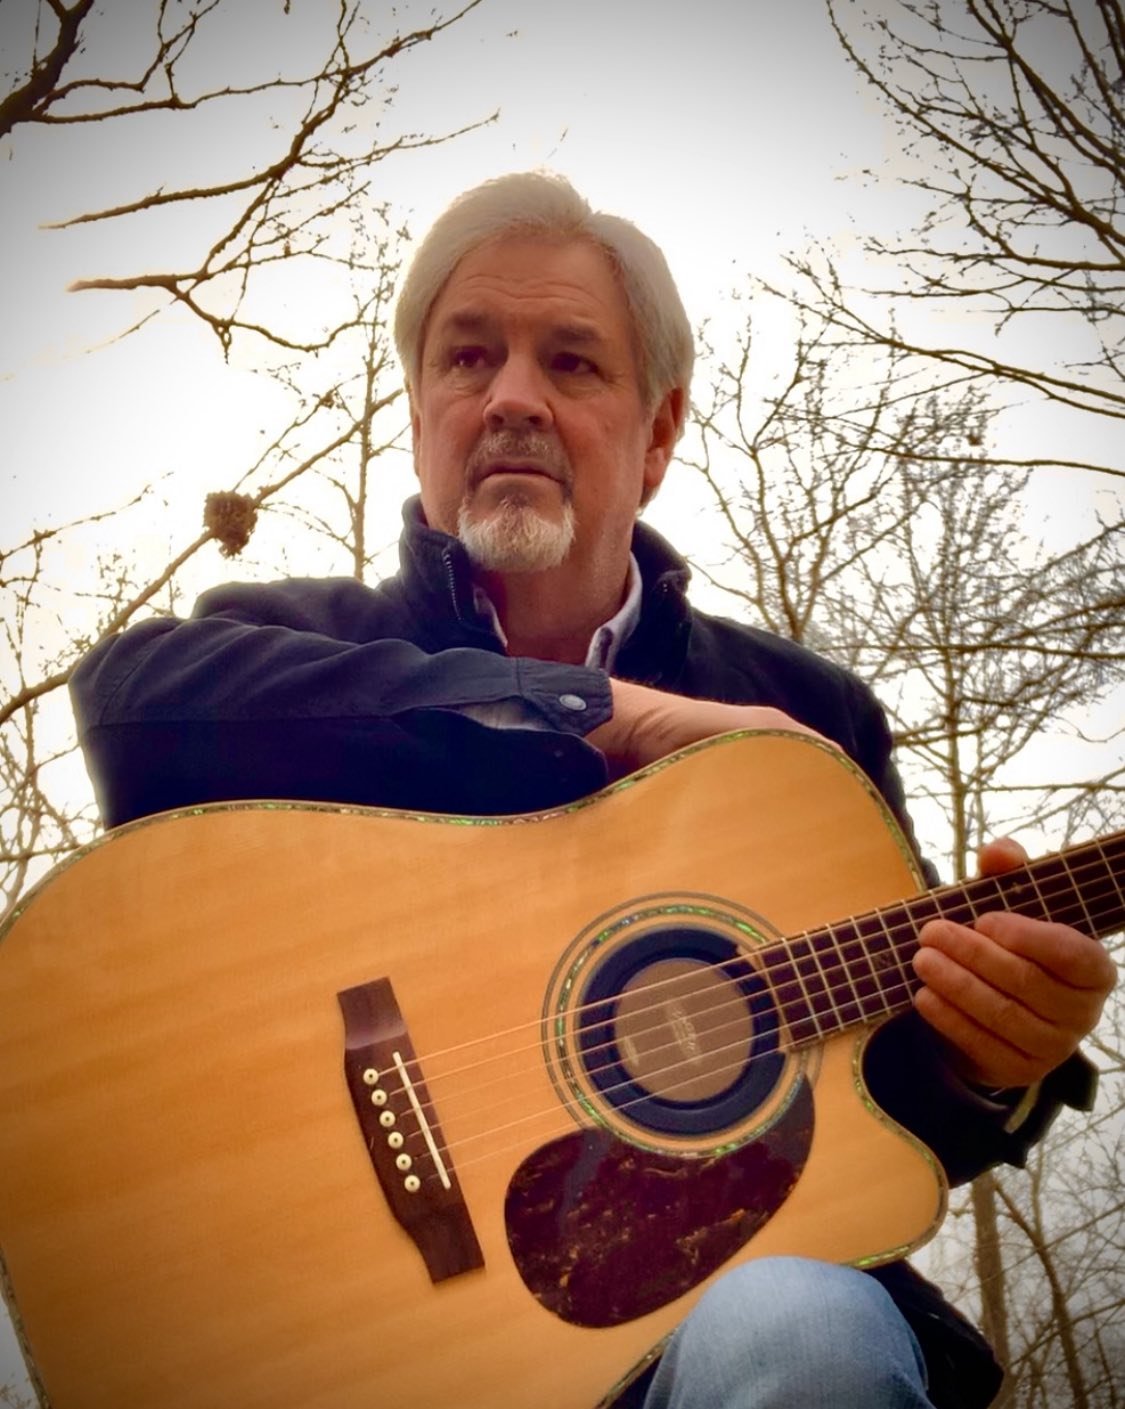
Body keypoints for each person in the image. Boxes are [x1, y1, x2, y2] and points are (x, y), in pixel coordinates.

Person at [70, 172, 1115, 1409]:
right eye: (470, 356)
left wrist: (986, 1059)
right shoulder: (288, 640)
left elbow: (863, 1131)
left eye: (572, 364)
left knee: (815, 1327)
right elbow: (132, 706)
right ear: (421, 408)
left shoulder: (806, 725)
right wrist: (603, 713)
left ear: (658, 433)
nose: (511, 395)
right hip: (324, 1339)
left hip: (691, 1326)